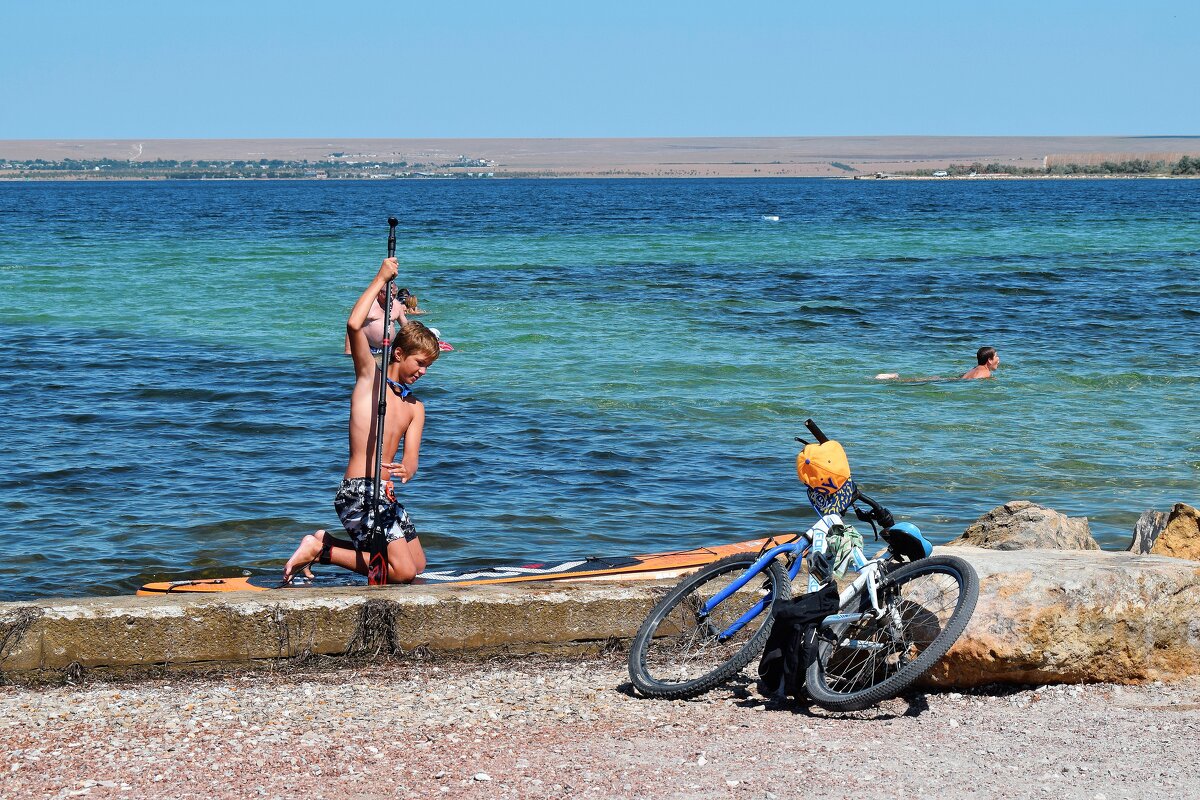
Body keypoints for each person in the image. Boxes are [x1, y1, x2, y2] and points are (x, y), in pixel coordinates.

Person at [284, 257, 441, 584]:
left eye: (429, 366)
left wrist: (409, 467)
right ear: (399, 354)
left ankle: (325, 543)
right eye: (419, 363)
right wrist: (380, 278)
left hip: (386, 496)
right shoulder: (370, 379)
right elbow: (354, 325)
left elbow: (411, 458)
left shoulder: (416, 407)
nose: (423, 372)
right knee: (402, 572)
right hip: (359, 492)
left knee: (419, 565)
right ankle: (320, 551)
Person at [873, 346, 1000, 382]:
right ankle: (894, 378)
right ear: (989, 360)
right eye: (996, 356)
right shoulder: (985, 373)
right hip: (952, 383)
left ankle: (895, 378)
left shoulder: (976, 368)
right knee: (916, 382)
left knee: (920, 380)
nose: (998, 359)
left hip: (953, 380)